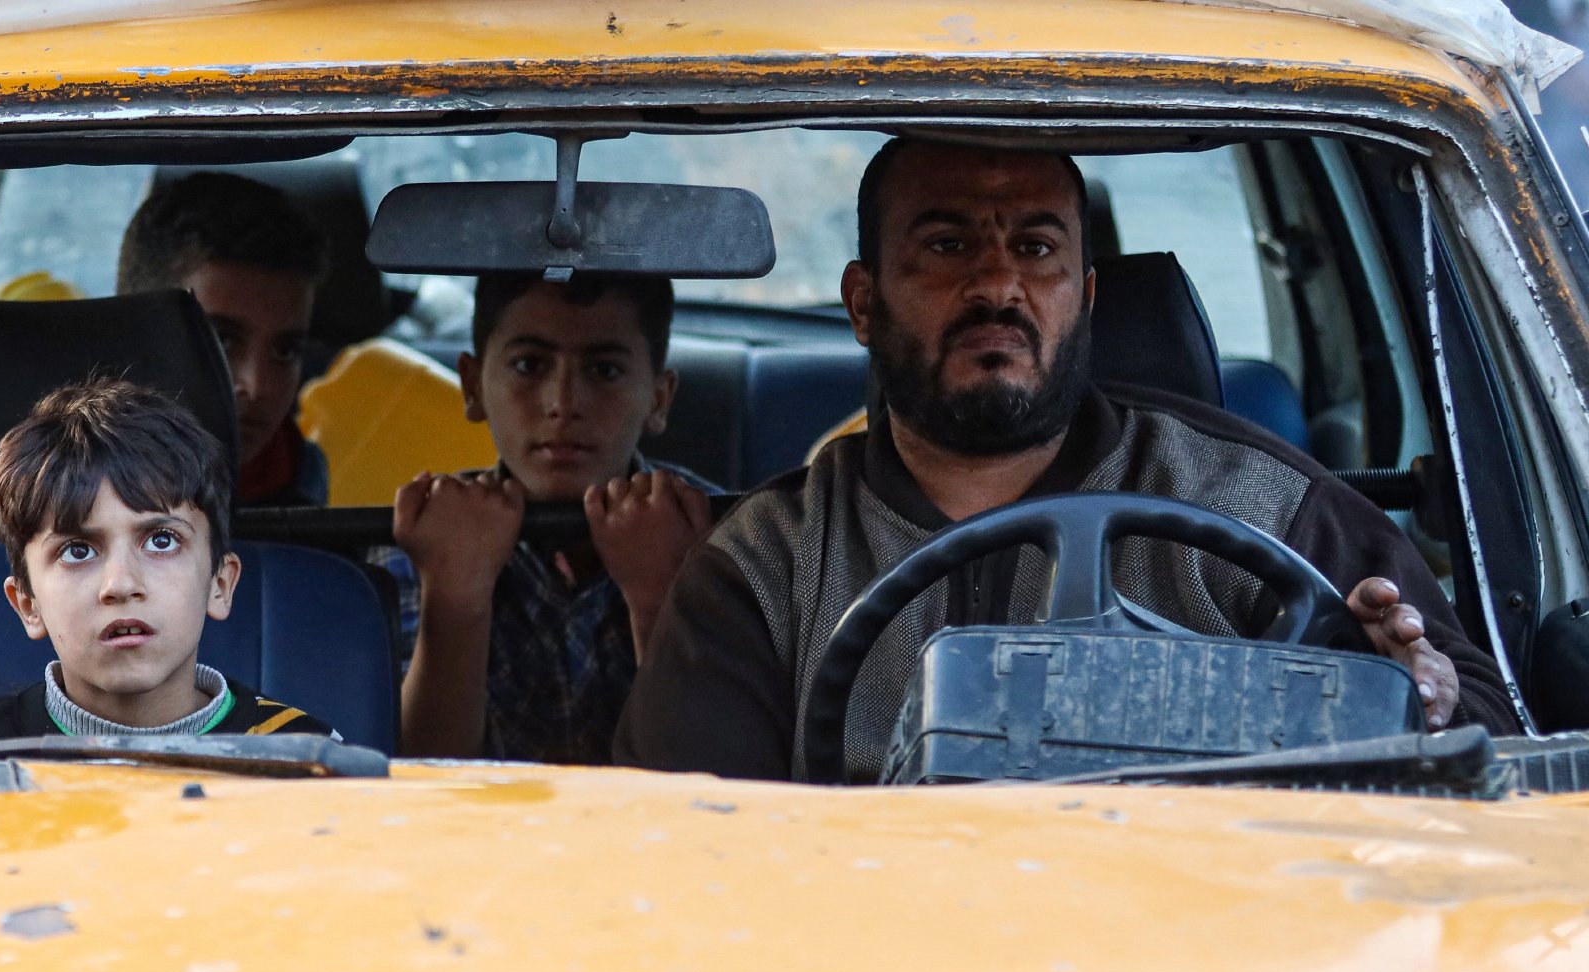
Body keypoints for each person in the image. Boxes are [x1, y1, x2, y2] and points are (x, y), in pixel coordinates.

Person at [614, 138, 1516, 783]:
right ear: (862, 301)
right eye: (947, 245)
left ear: (1084, 297)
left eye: (1036, 249)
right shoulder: (767, 561)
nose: (998, 285)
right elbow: (692, 852)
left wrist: (1422, 702)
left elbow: (1490, 729)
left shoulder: (1258, 500)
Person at [379, 273, 716, 763]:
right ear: (472, 386)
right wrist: (454, 598)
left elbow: (715, 778)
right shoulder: (424, 538)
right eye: (529, 365)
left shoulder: (719, 537)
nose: (563, 403)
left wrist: (662, 603)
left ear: (658, 399)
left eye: (603, 371)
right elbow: (422, 775)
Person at [0, 379, 333, 741]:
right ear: (28, 604)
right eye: (78, 550)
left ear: (220, 584)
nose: (120, 584)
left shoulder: (307, 762)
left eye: (161, 541)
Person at [117, 172, 331, 506]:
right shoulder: (40, 477)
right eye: (220, 340)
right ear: (134, 333)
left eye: (285, 351)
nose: (257, 386)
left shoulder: (298, 474)